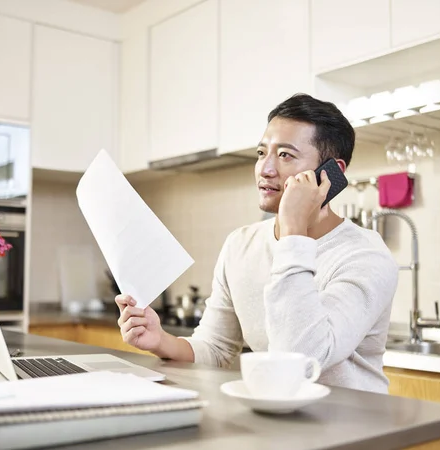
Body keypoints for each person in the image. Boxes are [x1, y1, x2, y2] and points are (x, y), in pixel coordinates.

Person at [115, 93, 399, 394]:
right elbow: (217, 348)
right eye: (262, 153)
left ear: (331, 174)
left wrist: (293, 232)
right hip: (278, 422)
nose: (265, 169)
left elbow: (301, 360)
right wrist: (161, 340)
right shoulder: (240, 245)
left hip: (355, 429)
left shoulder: (365, 256)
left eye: (285, 155)